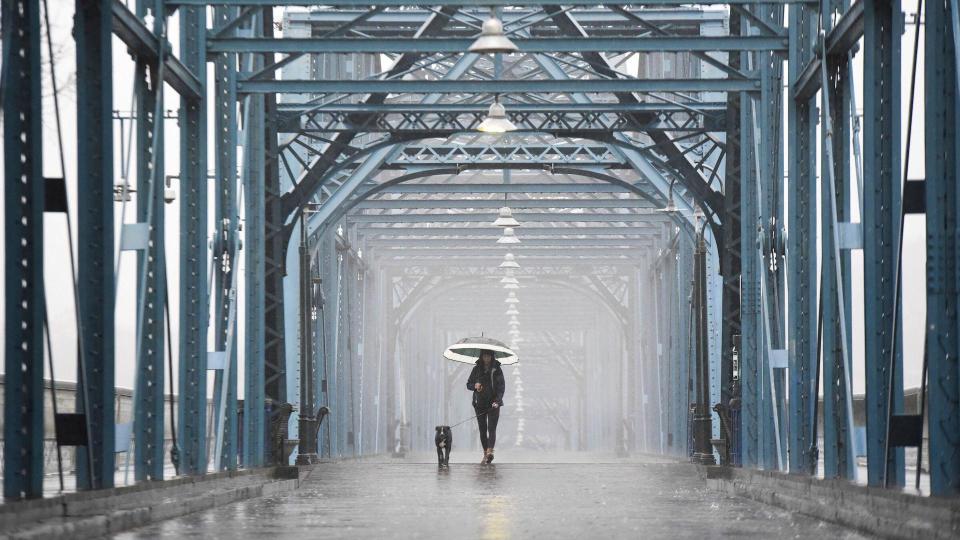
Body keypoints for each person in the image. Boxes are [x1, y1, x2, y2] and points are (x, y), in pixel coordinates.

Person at [466, 349, 505, 464]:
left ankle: (490, 452)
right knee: (482, 429)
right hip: (479, 404)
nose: (486, 359)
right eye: (484, 356)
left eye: (488, 356)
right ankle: (485, 453)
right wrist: (475, 385)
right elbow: (468, 384)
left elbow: (501, 387)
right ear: (481, 357)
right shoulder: (476, 369)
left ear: (492, 357)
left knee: (491, 428)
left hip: (493, 404)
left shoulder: (497, 369)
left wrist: (497, 401)